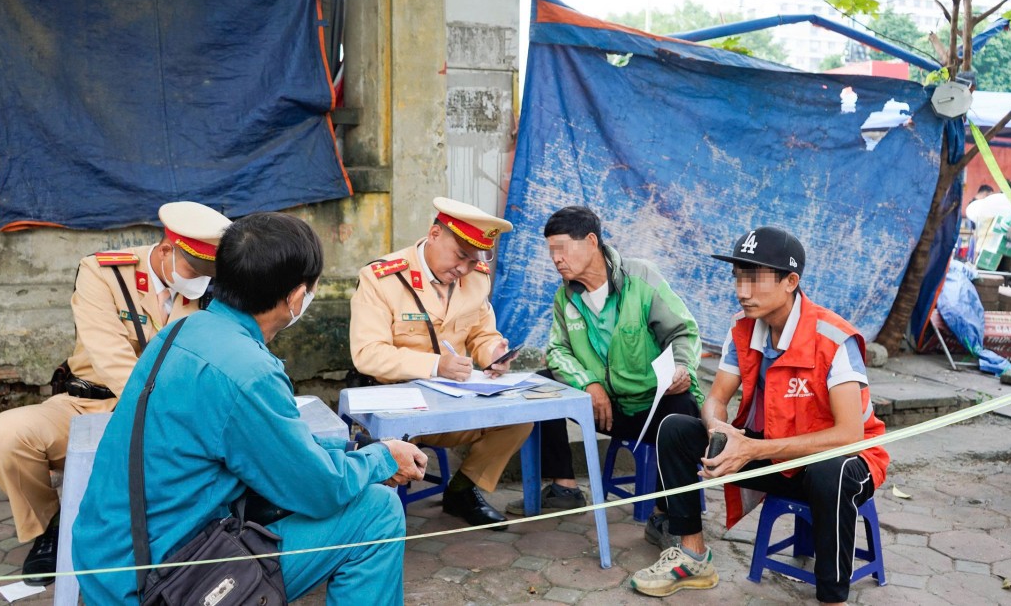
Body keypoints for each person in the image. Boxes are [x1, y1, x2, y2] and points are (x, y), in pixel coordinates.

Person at [73, 212, 425, 604]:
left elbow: (271, 449)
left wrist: (351, 454)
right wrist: (383, 459)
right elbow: (318, 489)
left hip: (107, 564)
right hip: (162, 586)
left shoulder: (179, 332)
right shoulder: (248, 370)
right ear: (295, 298)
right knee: (376, 512)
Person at [632, 226, 889, 605]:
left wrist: (752, 449)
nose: (742, 291)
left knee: (828, 470)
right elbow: (715, 397)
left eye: (754, 279)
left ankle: (832, 597)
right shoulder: (743, 329)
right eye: (738, 277)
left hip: (845, 463)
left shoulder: (832, 338)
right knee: (675, 428)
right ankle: (692, 555)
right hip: (772, 455)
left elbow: (850, 434)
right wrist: (720, 431)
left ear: (791, 281)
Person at [0, 201, 230, 585]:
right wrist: (159, 411)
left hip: (174, 410)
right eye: (193, 270)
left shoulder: (210, 290)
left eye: (207, 273)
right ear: (166, 249)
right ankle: (49, 528)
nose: (200, 281)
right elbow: (111, 358)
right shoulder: (105, 272)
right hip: (90, 405)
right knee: (7, 436)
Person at [503, 206, 704, 522]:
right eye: (551, 251)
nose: (555, 258)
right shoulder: (566, 297)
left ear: (591, 241)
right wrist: (588, 383)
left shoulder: (641, 280)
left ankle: (671, 514)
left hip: (651, 407)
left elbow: (682, 331)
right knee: (540, 384)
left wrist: (682, 368)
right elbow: (557, 351)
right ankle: (564, 488)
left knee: (683, 405)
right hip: (604, 410)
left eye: (562, 248)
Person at [349, 197, 532, 528]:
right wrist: (436, 365)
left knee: (521, 419)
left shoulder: (476, 278)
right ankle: (375, 519)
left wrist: (492, 352)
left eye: (473, 258)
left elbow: (481, 333)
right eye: (460, 255)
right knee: (374, 504)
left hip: (452, 406)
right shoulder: (382, 278)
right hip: (397, 410)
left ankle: (462, 489)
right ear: (434, 234)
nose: (464, 268)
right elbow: (368, 353)